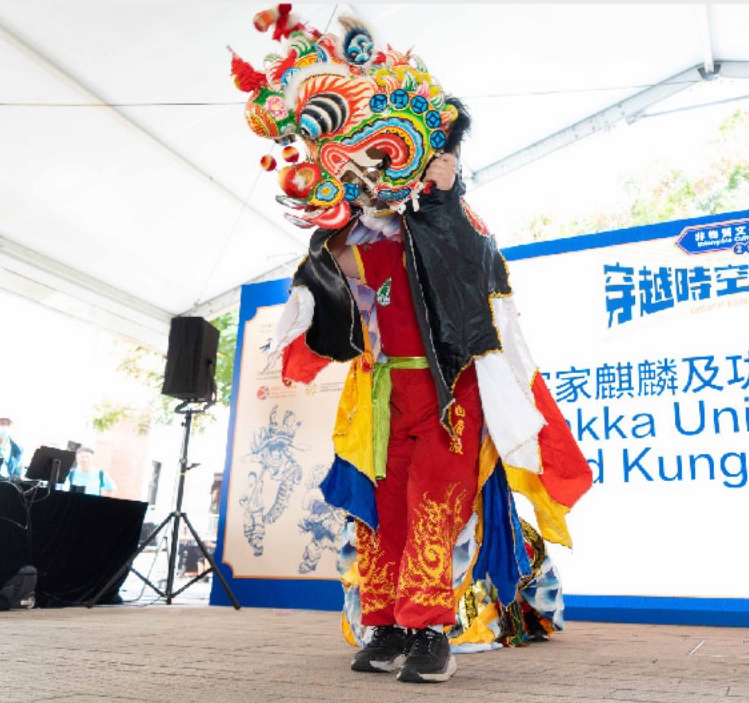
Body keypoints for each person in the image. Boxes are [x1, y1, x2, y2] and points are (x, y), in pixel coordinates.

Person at [231, 8, 592, 684]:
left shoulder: (454, 220)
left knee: (433, 508)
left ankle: (429, 632)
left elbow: (476, 275)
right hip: (378, 394)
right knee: (379, 510)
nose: (368, 169)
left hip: (449, 390)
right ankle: (386, 623)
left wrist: (445, 196)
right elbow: (325, 308)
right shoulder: (346, 235)